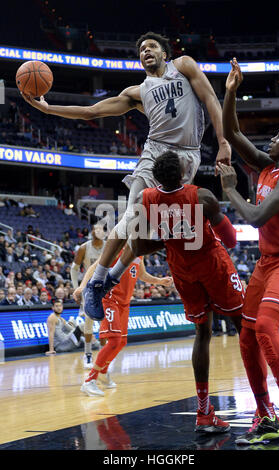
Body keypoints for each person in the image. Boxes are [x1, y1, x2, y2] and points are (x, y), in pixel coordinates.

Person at [21, 31, 231, 316]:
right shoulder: (137, 93)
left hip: (188, 156)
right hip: (154, 153)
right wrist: (47, 109)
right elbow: (91, 112)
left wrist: (222, 142)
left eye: (152, 46)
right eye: (142, 48)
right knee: (133, 216)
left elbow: (210, 99)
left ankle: (113, 276)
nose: (146, 51)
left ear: (164, 54)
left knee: (152, 234)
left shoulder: (184, 66)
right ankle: (97, 283)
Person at [127, 150, 244, 433]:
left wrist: (169, 242)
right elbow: (231, 241)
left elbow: (139, 247)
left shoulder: (146, 199)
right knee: (244, 326)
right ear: (182, 173)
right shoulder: (203, 197)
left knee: (202, 333)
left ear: (156, 177)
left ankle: (204, 412)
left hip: (181, 270)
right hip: (211, 263)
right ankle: (265, 408)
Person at [218, 58, 279, 448]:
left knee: (266, 327)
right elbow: (231, 131)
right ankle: (265, 414)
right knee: (247, 338)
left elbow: (254, 214)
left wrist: (230, 189)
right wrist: (231, 90)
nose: (271, 140)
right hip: (266, 263)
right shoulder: (270, 165)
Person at [73, 243, 173, 396]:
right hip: (109, 299)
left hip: (125, 303)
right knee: (113, 340)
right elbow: (94, 266)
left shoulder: (139, 253)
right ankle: (89, 380)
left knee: (121, 342)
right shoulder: (116, 249)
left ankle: (103, 373)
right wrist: (81, 286)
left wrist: (160, 281)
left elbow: (142, 275)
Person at [71, 224, 106, 368]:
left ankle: (104, 355)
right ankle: (88, 355)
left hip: (107, 287)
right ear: (91, 232)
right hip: (89, 288)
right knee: (89, 322)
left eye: (100, 229)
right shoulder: (84, 248)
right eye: (94, 229)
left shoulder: (110, 246)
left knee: (105, 323)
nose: (96, 231)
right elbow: (74, 269)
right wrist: (77, 288)